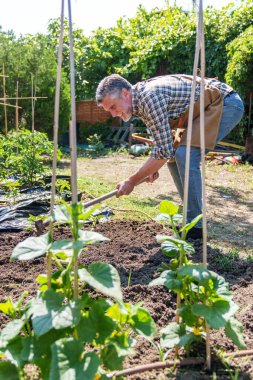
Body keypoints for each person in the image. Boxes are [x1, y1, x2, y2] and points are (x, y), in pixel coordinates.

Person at [95, 74, 244, 239]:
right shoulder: (139, 102)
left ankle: (195, 227)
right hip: (202, 110)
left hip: (225, 103)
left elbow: (164, 150)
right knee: (174, 158)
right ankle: (192, 220)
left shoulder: (149, 97)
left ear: (125, 93)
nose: (114, 114)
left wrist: (132, 180)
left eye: (113, 107)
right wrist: (152, 168)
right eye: (110, 110)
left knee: (185, 154)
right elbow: (162, 145)